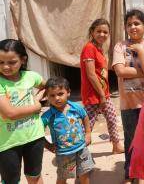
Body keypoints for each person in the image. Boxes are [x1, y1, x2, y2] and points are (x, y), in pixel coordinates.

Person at [112, 9, 144, 183]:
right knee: (131, 141)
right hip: (128, 105)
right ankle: (132, 174)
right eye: (129, 24)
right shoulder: (120, 46)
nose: (133, 27)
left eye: (137, 23)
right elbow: (119, 71)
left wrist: (140, 51)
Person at [0, 39, 46, 184]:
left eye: (12, 62)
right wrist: (36, 106)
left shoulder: (31, 76)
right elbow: (10, 114)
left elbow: (48, 86)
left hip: (34, 137)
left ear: (23, 60)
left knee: (35, 176)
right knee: (11, 181)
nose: (5, 67)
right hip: (8, 142)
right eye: (0, 62)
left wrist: (37, 97)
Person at [80, 18, 124, 154]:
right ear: (92, 32)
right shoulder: (89, 48)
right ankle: (77, 151)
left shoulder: (99, 49)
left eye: (105, 32)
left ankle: (116, 146)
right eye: (98, 31)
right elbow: (91, 74)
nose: (102, 34)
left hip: (103, 94)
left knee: (111, 119)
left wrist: (105, 94)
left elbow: (101, 74)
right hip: (93, 95)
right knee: (88, 125)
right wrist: (101, 95)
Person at [42, 77, 94, 184]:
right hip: (63, 153)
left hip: (81, 149)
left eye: (60, 94)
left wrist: (88, 133)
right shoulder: (48, 116)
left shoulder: (76, 107)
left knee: (84, 173)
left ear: (68, 92)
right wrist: (48, 145)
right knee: (63, 176)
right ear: (47, 97)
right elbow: (38, 132)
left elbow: (84, 116)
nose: (57, 98)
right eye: (52, 95)